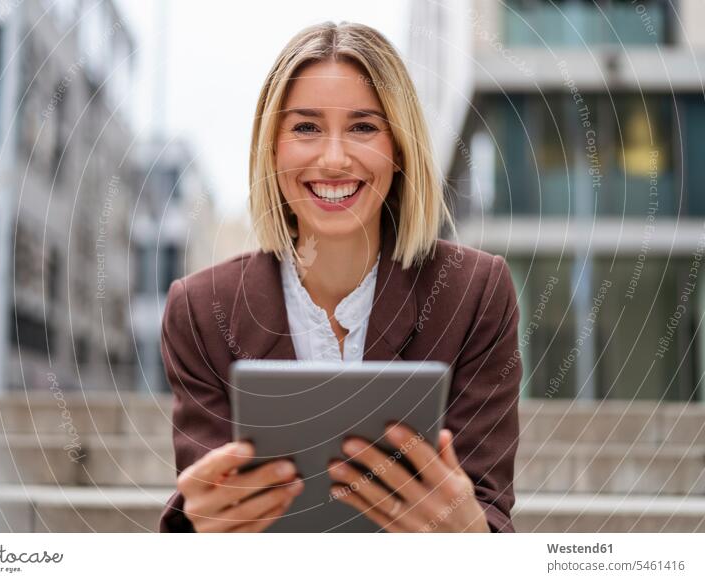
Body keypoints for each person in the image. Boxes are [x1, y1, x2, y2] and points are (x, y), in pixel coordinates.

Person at [158, 21, 521, 533]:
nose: (333, 159)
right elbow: (207, 509)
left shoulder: (475, 295)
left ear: (399, 149)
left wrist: (470, 537)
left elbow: (488, 511)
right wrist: (196, 529)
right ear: (272, 149)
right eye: (306, 127)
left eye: (363, 127)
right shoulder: (200, 310)